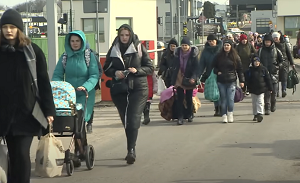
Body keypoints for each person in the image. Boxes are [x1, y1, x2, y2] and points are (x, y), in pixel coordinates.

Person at [0, 9, 55, 183]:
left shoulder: (33, 52)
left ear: (19, 29)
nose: (8, 30)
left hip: (27, 113)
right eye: (5, 27)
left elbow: (44, 83)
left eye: (12, 27)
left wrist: (49, 111)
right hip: (4, 114)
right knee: (11, 156)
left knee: (22, 156)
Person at [103, 24, 153, 164]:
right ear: (118, 36)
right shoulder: (114, 48)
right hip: (120, 89)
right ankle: (130, 147)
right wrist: (115, 73)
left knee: (133, 117)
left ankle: (131, 150)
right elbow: (106, 68)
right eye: (122, 35)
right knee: (126, 119)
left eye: (126, 35)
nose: (124, 38)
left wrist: (137, 71)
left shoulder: (138, 47)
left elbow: (149, 67)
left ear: (131, 35)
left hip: (138, 88)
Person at [52, 30, 100, 134]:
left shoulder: (89, 56)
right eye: (72, 41)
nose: (75, 43)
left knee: (80, 120)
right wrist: (58, 87)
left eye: (77, 41)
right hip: (68, 94)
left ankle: (81, 145)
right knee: (70, 122)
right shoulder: (65, 57)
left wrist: (85, 87)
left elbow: (94, 75)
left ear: (82, 42)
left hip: (85, 93)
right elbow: (57, 74)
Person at [213, 39, 245, 123]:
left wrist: (242, 81)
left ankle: (230, 113)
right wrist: (217, 72)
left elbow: (240, 69)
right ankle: (224, 115)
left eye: (228, 45)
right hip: (221, 81)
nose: (226, 47)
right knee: (223, 99)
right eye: (225, 45)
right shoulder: (218, 56)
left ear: (231, 46)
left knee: (230, 99)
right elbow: (214, 67)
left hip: (232, 80)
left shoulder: (235, 56)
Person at [171, 37, 199, 125]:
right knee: (179, 98)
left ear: (189, 46)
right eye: (183, 45)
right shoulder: (177, 54)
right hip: (179, 77)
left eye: (186, 45)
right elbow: (174, 66)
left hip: (189, 78)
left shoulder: (193, 55)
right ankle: (180, 117)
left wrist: (194, 77)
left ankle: (189, 114)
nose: (184, 47)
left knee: (188, 98)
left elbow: (196, 68)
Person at [258, 34, 284, 115]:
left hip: (274, 74)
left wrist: (277, 67)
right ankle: (267, 108)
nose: (267, 43)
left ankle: (273, 104)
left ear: (271, 42)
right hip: (264, 74)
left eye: (268, 42)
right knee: (267, 93)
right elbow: (256, 59)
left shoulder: (276, 50)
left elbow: (282, 60)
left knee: (274, 92)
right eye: (266, 42)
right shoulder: (261, 50)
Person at [198, 34, 223, 116]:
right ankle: (217, 109)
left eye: (212, 41)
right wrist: (198, 75)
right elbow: (202, 64)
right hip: (211, 74)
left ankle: (222, 107)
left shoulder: (221, 49)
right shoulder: (205, 51)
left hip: (222, 73)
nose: (211, 43)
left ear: (216, 41)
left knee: (221, 91)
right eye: (209, 41)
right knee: (214, 91)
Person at [245, 56, 273, 123]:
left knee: (260, 102)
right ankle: (255, 114)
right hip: (253, 89)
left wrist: (270, 88)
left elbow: (268, 79)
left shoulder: (263, 69)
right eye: (255, 61)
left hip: (261, 89)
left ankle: (260, 114)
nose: (256, 63)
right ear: (253, 63)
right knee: (254, 103)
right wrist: (246, 88)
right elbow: (247, 80)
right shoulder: (249, 71)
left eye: (258, 61)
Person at [272, 32, 295, 98]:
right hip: (275, 64)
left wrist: (292, 63)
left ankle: (284, 90)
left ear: (279, 37)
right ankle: (276, 92)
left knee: (284, 77)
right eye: (274, 38)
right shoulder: (272, 45)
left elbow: (289, 54)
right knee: (276, 78)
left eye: (276, 37)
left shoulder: (284, 44)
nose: (275, 39)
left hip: (284, 63)